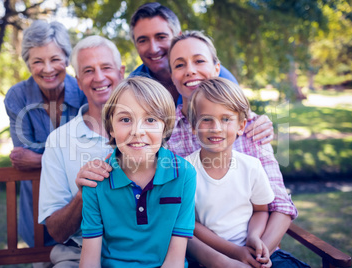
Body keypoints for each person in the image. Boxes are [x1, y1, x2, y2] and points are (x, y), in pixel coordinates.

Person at [169, 31, 307, 268]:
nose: (190, 70)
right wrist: (229, 260)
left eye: (199, 60)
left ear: (216, 67)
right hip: (202, 256)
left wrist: (257, 254)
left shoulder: (252, 126)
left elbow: (278, 204)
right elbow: (178, 218)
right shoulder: (164, 132)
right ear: (172, 76)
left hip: (260, 251)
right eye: (179, 65)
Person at [79, 76, 196, 267]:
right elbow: (89, 261)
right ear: (111, 128)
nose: (137, 131)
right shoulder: (97, 179)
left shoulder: (183, 174)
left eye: (150, 119)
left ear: (165, 126)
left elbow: (175, 259)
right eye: (125, 119)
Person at [128, 2, 274, 145]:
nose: (153, 48)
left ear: (177, 36)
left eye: (161, 37)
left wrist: (260, 125)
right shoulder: (133, 88)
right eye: (143, 40)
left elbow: (241, 117)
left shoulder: (218, 77)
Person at [38, 35, 124, 266]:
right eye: (88, 70)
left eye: (106, 67)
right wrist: (81, 196)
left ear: (121, 72)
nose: (99, 77)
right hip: (77, 253)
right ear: (78, 81)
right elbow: (57, 232)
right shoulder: (58, 141)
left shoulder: (146, 132)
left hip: (140, 249)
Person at [4, 20, 87, 248]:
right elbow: (23, 157)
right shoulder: (17, 97)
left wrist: (39, 159)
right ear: (28, 64)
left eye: (55, 59)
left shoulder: (84, 91)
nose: (48, 69)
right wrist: (68, 158)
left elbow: (90, 155)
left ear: (67, 60)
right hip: (38, 209)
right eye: (38, 61)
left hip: (83, 212)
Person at [185, 77, 275, 268]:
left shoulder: (252, 167)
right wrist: (235, 252)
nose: (216, 128)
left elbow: (261, 210)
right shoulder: (186, 171)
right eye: (206, 120)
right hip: (206, 257)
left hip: (248, 250)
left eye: (226, 119)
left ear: (241, 126)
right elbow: (190, 223)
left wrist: (254, 237)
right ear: (193, 127)